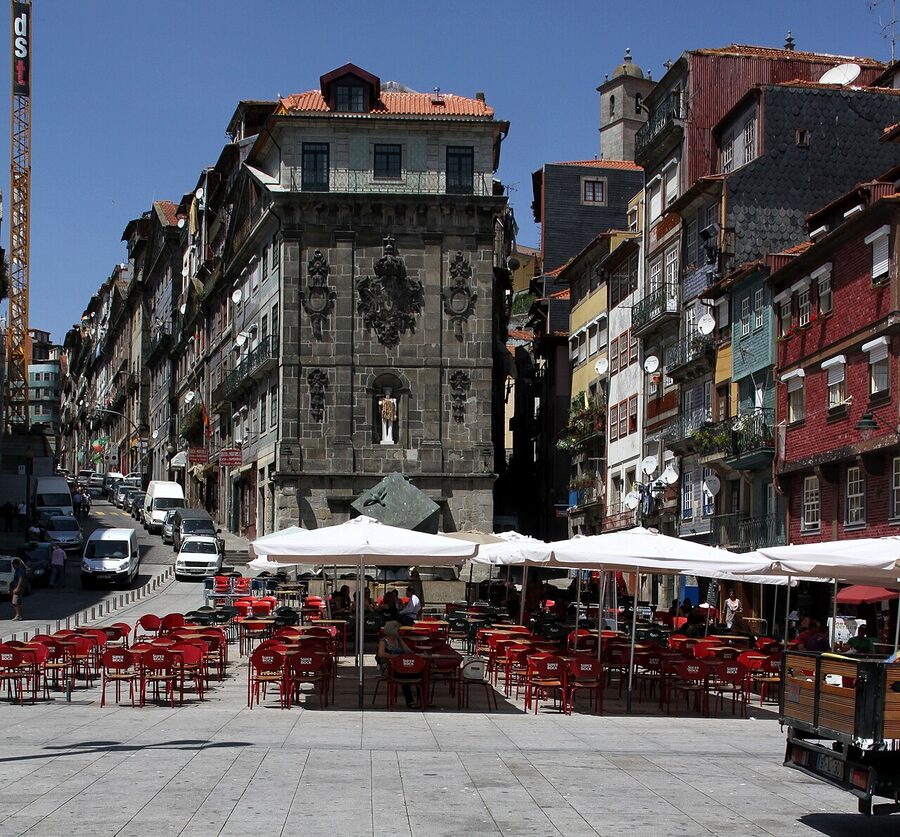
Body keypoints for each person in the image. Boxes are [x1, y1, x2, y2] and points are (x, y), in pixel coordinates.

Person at [376, 621, 418, 708]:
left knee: (418, 673)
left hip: (401, 665)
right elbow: (381, 654)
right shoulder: (383, 641)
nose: (399, 632)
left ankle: (423, 700)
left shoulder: (399, 640)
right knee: (404, 675)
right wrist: (394, 656)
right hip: (388, 667)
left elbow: (408, 651)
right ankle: (410, 701)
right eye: (398, 630)